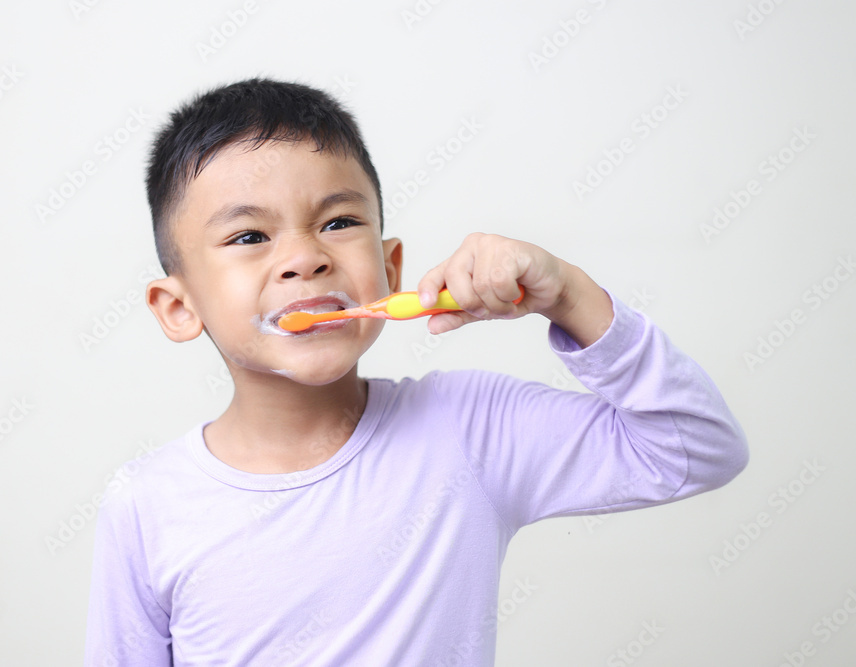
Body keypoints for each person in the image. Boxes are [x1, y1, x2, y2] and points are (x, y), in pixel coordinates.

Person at [84, 77, 748, 666]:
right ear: (178, 306)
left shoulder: (469, 429)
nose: (305, 258)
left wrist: (569, 293)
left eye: (339, 222)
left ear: (390, 267)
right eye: (250, 236)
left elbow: (698, 447)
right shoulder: (146, 504)